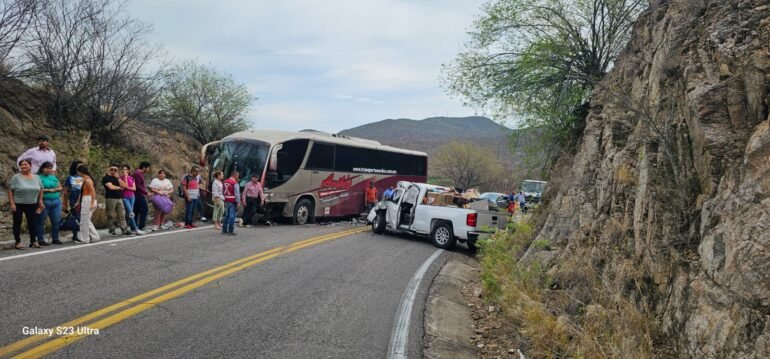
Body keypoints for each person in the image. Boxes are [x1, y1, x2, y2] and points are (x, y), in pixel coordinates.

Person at [8, 159, 44, 249]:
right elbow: (10, 190)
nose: (23, 166)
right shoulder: (16, 177)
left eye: (25, 164)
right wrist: (12, 203)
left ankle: (33, 241)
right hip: (18, 204)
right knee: (17, 223)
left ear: (30, 166)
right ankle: (18, 242)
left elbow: (41, 189)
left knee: (32, 223)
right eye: (22, 165)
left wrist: (40, 201)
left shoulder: (36, 177)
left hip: (32, 203)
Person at [36, 161, 63, 245]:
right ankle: (40, 239)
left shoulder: (53, 177)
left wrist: (57, 189)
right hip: (44, 201)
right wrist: (49, 190)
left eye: (50, 168)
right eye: (47, 168)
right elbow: (37, 189)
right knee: (41, 221)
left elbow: (60, 187)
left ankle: (55, 238)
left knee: (56, 221)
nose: (49, 170)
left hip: (56, 201)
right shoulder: (38, 177)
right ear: (42, 168)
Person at [102, 164, 130, 236]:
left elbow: (124, 186)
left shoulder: (117, 178)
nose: (113, 171)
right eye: (112, 169)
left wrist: (118, 178)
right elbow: (111, 187)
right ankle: (112, 229)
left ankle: (124, 230)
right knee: (110, 215)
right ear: (109, 169)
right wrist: (120, 188)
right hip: (110, 198)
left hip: (119, 198)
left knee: (122, 215)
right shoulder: (106, 178)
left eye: (115, 170)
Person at [75, 164, 99, 244]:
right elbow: (81, 192)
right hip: (85, 199)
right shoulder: (83, 179)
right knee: (86, 220)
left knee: (84, 221)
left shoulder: (88, 180)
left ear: (80, 172)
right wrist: (78, 202)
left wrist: (92, 203)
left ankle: (85, 239)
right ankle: (95, 236)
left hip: (88, 200)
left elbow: (93, 192)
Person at [62, 160, 84, 242]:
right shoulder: (71, 178)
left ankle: (84, 234)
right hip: (74, 200)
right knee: (76, 217)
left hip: (85, 199)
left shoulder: (86, 177)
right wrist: (64, 203)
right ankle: (76, 235)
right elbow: (66, 191)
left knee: (84, 217)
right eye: (79, 166)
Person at [120, 164, 145, 235]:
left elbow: (134, 188)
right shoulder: (120, 178)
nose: (124, 170)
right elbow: (124, 186)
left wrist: (127, 187)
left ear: (128, 170)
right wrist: (125, 176)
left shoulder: (131, 178)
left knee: (130, 213)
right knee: (131, 213)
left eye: (126, 169)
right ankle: (136, 229)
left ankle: (131, 228)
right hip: (125, 197)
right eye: (123, 169)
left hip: (132, 196)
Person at [132, 161, 151, 231]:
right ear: (144, 167)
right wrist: (146, 192)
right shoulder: (137, 174)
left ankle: (134, 226)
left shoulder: (139, 174)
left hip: (138, 195)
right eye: (148, 168)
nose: (148, 170)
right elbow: (137, 186)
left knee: (136, 210)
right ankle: (141, 226)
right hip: (138, 195)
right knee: (144, 209)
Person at [222, 170, 240, 236]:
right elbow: (237, 193)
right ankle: (230, 230)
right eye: (238, 176)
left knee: (226, 215)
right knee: (232, 216)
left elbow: (222, 191)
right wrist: (238, 202)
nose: (238, 177)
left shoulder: (224, 182)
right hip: (233, 201)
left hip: (226, 200)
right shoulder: (235, 183)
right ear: (235, 175)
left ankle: (224, 229)